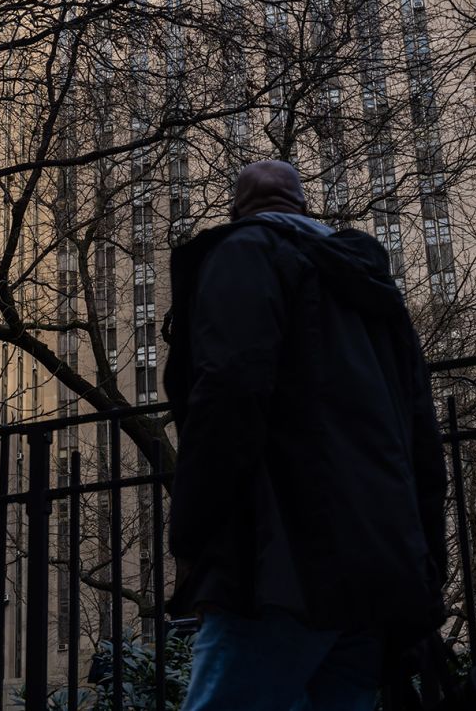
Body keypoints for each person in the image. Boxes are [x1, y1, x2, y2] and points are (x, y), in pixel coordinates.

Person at [163, 160, 448, 711]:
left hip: (281, 567)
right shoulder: (372, 289)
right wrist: (423, 562)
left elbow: (227, 395)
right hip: (375, 569)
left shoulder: (244, 251)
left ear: (237, 209)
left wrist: (193, 532)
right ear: (303, 205)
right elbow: (422, 436)